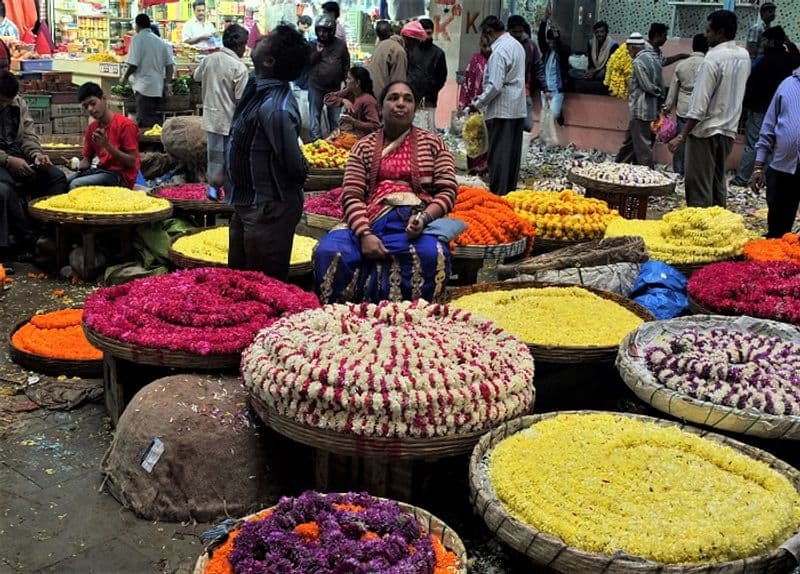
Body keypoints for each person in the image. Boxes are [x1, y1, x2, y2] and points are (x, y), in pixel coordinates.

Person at [313, 81, 457, 304]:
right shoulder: (363, 146)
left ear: (415, 108)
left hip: (414, 226)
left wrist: (424, 218)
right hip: (368, 220)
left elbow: (447, 191)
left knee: (431, 255)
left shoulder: (434, 145)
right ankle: (347, 318)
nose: (400, 104)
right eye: (393, 98)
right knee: (330, 252)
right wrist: (364, 234)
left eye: (407, 99)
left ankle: (413, 320)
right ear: (380, 107)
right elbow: (351, 195)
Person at [225, 26, 309, 281]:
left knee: (263, 287)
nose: (258, 38)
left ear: (269, 61)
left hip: (268, 209)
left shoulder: (276, 108)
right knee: (239, 283)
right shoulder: (256, 87)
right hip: (247, 202)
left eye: (266, 39)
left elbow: (295, 168)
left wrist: (276, 206)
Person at [667, 10, 750, 208]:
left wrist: (682, 135)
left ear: (720, 32)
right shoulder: (744, 55)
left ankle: (700, 228)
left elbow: (699, 106)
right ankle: (718, 223)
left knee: (698, 185)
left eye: (708, 31)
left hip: (705, 132)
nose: (706, 35)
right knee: (717, 182)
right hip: (729, 129)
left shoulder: (712, 59)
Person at [0, 71, 67, 258]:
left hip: (18, 154)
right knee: (5, 188)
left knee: (56, 177)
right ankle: (26, 238)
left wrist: (36, 154)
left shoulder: (18, 103)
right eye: (1, 101)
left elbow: (28, 136)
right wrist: (8, 160)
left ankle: (48, 232)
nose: (5, 105)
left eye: (8, 101)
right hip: (3, 161)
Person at [730, 26, 799, 187]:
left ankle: (742, 178)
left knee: (754, 143)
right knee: (773, 145)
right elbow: (798, 57)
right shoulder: (787, 59)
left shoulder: (763, 60)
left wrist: (745, 105)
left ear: (770, 41)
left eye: (765, 40)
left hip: (760, 107)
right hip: (780, 109)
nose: (762, 43)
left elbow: (750, 81)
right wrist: (788, 42)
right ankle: (765, 178)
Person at [467, 16, 526, 196]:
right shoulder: (516, 45)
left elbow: (495, 85)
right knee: (512, 154)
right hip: (517, 107)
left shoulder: (499, 51)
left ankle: (498, 193)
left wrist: (478, 103)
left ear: (489, 33)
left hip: (502, 109)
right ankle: (510, 191)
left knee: (499, 153)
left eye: (483, 37)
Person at [193, 24, 248, 185]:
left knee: (215, 158)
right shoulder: (239, 68)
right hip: (230, 120)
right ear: (238, 46)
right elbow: (241, 100)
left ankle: (213, 189)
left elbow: (196, 77)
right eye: (244, 45)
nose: (245, 49)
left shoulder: (209, 59)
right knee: (230, 159)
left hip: (211, 117)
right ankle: (228, 191)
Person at [752, 68, 800, 237]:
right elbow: (769, 125)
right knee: (777, 228)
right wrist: (759, 165)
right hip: (782, 167)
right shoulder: (787, 85)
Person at [70, 82, 140, 189]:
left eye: (93, 103)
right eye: (86, 106)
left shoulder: (126, 125)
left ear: (103, 98)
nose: (90, 109)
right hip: (102, 171)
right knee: (62, 180)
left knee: (75, 184)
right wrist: (76, 165)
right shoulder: (92, 127)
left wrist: (107, 146)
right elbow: (87, 159)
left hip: (121, 176)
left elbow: (131, 162)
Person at [663, 33, 708, 176]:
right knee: (698, 143)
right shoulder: (709, 65)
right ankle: (693, 172)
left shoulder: (682, 65)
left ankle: (678, 171)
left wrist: (667, 107)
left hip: (683, 109)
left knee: (680, 140)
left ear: (693, 46)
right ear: (707, 48)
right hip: (702, 109)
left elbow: (673, 90)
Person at [615, 33, 662, 169]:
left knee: (643, 147)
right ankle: (617, 167)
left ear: (634, 47)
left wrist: (656, 91)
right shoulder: (654, 58)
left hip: (641, 109)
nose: (628, 53)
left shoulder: (638, 61)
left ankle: (649, 175)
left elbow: (646, 85)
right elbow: (660, 82)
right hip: (650, 109)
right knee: (629, 143)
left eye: (629, 49)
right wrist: (660, 100)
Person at [122, 14, 174, 129]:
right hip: (157, 88)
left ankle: (149, 145)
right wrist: (167, 84)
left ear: (137, 25)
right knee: (154, 119)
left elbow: (133, 65)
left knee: (144, 120)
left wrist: (125, 77)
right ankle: (157, 143)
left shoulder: (137, 39)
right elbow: (170, 66)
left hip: (143, 88)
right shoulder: (160, 42)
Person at [307, 15, 349, 141]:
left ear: (331, 31)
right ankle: (316, 144)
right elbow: (307, 63)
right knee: (314, 117)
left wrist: (346, 79)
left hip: (334, 89)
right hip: (316, 87)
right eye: (319, 31)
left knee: (335, 119)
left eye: (325, 31)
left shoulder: (340, 45)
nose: (322, 34)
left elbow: (346, 62)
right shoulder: (313, 44)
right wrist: (317, 53)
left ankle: (335, 143)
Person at [405, 18, 447, 132]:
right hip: (410, 97)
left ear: (432, 32)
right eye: (423, 33)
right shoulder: (411, 49)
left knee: (427, 133)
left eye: (428, 33)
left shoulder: (438, 53)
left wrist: (427, 92)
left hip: (428, 100)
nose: (426, 36)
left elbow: (441, 78)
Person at [458, 33, 491, 175]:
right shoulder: (475, 60)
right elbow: (467, 83)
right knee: (473, 138)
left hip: (490, 107)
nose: (487, 49)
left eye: (489, 46)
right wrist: (463, 103)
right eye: (484, 46)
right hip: (474, 107)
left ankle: (485, 168)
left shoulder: (496, 60)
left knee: (487, 139)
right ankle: (473, 168)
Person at [508, 15, 546, 133]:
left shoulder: (530, 46)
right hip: (507, 92)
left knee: (527, 126)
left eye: (520, 31)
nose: (517, 34)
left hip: (524, 91)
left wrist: (546, 88)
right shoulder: (505, 45)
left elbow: (538, 67)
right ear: (508, 30)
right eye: (514, 32)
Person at [323, 67, 380, 138]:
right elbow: (327, 98)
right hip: (346, 133)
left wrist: (353, 122)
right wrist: (343, 100)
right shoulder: (349, 92)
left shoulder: (368, 101)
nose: (346, 81)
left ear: (357, 83)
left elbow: (375, 126)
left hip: (360, 138)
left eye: (349, 78)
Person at [368, 20, 407, 104]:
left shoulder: (380, 46)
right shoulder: (398, 50)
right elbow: (398, 83)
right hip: (384, 102)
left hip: (375, 98)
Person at [541, 27, 569, 126]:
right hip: (546, 89)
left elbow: (562, 48)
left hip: (557, 89)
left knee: (552, 115)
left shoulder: (562, 52)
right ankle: (547, 140)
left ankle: (558, 114)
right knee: (546, 117)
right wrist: (544, 21)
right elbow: (541, 39)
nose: (551, 45)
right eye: (549, 42)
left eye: (553, 42)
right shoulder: (547, 52)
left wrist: (556, 37)